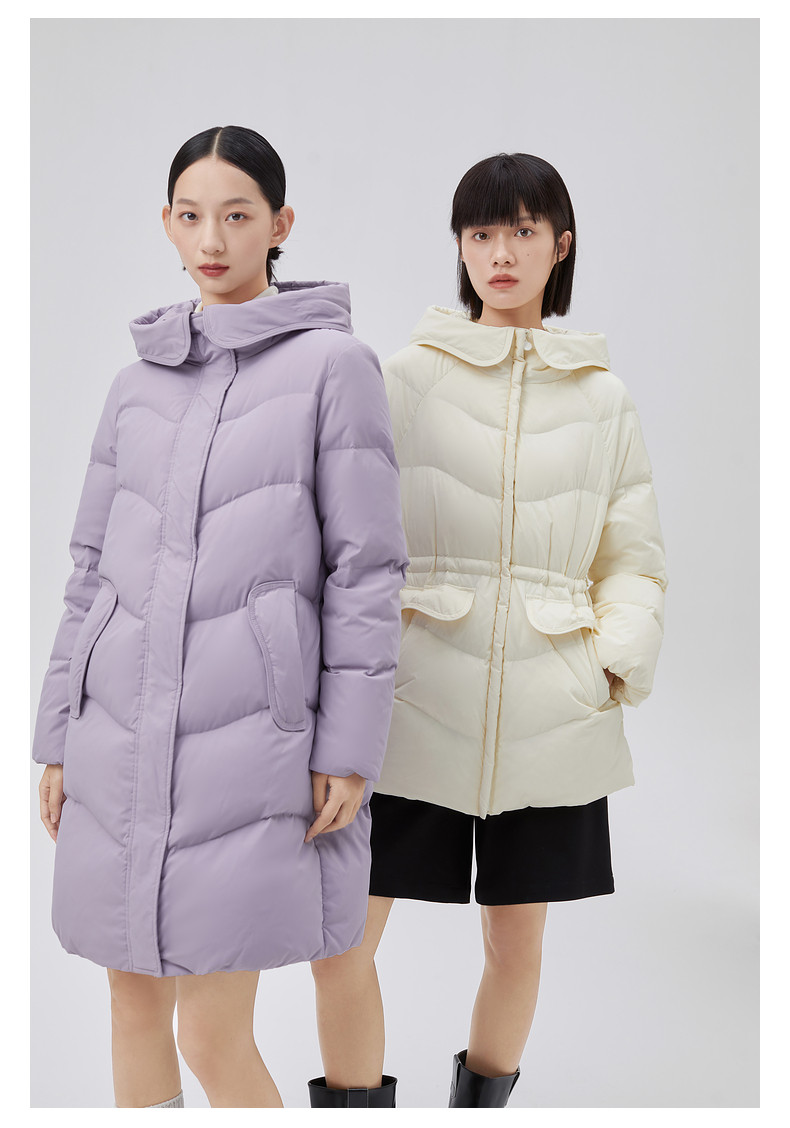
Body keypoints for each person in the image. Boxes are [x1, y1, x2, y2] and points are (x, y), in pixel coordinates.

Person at [32, 124, 409, 1109]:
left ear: (280, 225)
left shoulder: (334, 367)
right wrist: (58, 734)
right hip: (119, 737)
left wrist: (349, 748)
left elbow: (366, 570)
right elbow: (89, 570)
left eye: (237, 216)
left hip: (250, 746)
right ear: (166, 223)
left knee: (209, 1031)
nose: (212, 239)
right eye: (192, 216)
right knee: (130, 1007)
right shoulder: (134, 384)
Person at [308, 152, 668, 1108]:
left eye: (522, 232)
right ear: (460, 248)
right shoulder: (403, 378)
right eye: (481, 234)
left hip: (552, 707)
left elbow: (632, 558)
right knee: (342, 934)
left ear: (561, 244)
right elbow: (346, 539)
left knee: (517, 942)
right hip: (412, 699)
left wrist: (610, 667)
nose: (501, 254)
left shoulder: (604, 398)